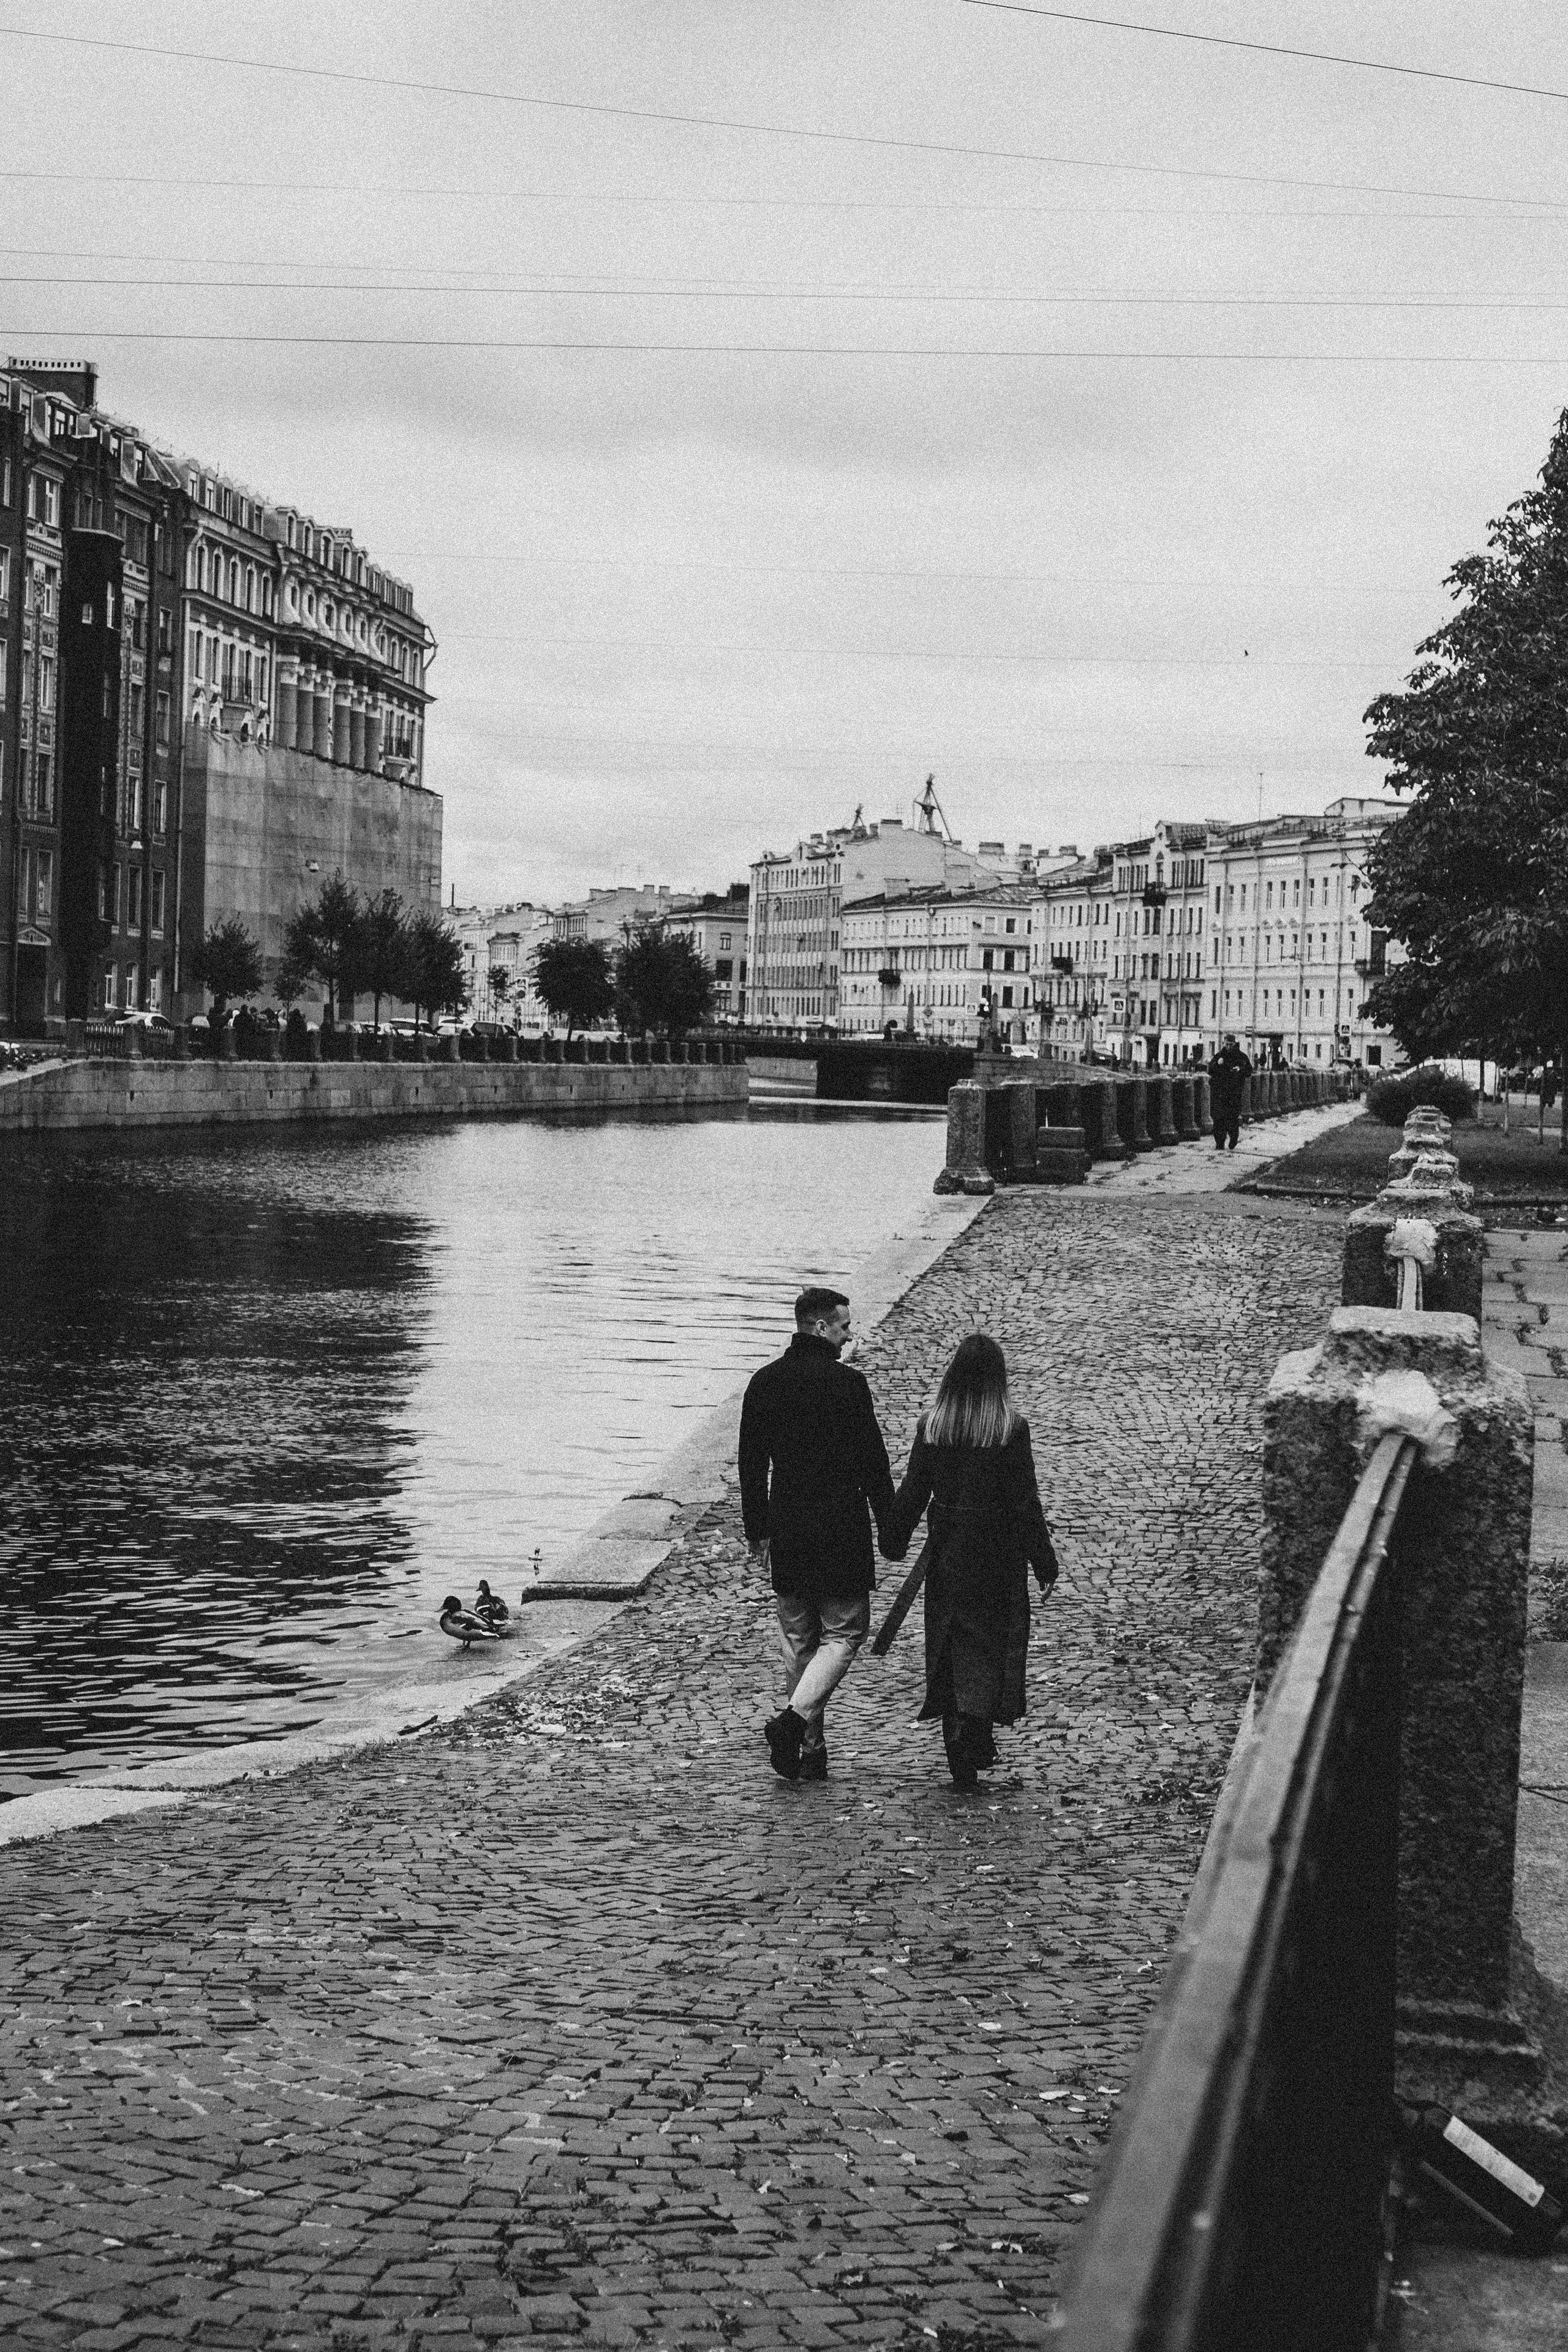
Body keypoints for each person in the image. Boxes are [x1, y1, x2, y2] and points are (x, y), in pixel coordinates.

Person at [883, 1335, 1057, 1790]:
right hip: (998, 1557)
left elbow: (914, 1490)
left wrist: (894, 1538)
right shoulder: (1010, 1430)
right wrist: (1044, 1560)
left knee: (951, 1646)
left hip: (949, 1554)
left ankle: (958, 1739)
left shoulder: (933, 1427)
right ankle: (976, 1731)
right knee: (991, 1646)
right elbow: (1024, 1502)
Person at [739, 1286, 895, 1784]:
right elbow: (873, 1461)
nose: (850, 1335)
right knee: (844, 1634)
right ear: (822, 1326)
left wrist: (757, 1529)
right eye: (844, 1327)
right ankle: (792, 1722)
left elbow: (751, 1464)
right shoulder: (848, 1385)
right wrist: (890, 1525)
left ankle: (810, 1751)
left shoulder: (765, 1382)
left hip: (787, 1523)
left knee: (798, 1640)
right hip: (840, 1526)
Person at [1208, 1031, 1253, 1152]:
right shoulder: (1219, 1056)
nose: (1228, 1047)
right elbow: (1210, 1070)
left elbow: (1249, 1071)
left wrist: (1240, 1070)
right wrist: (1217, 1064)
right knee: (1219, 1119)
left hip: (1234, 1093)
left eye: (1231, 1044)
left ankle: (1233, 1138)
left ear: (1235, 1044)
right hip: (1220, 1093)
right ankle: (1219, 1143)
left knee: (1232, 1118)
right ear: (1224, 1043)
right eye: (1227, 1044)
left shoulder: (1241, 1057)